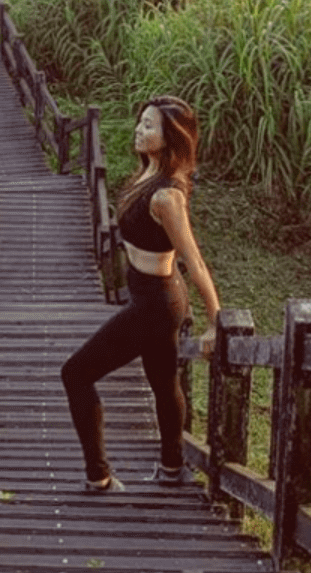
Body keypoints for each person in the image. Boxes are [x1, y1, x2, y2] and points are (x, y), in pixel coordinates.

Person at [60, 94, 222, 492]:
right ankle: (171, 468)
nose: (139, 129)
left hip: (156, 303)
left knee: (75, 373)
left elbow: (194, 261)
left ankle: (98, 476)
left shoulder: (167, 196)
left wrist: (217, 321)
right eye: (140, 122)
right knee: (164, 383)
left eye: (149, 126)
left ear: (170, 139)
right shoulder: (144, 175)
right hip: (152, 297)